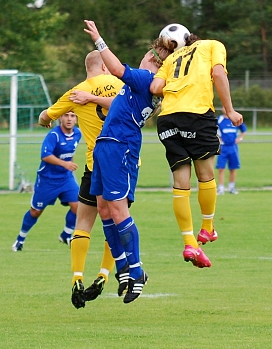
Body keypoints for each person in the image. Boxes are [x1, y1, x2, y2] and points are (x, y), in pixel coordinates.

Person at [82, 19, 172, 303]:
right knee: (104, 209)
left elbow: (117, 69)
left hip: (120, 147)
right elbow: (118, 103)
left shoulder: (145, 78)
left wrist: (99, 40)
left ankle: (137, 270)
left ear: (152, 60)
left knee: (118, 211)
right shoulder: (141, 86)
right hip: (106, 145)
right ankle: (122, 267)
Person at [150, 24, 243, 269]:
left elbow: (155, 88)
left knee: (180, 183)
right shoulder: (212, 45)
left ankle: (189, 242)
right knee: (206, 175)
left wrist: (173, 78)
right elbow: (219, 74)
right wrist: (229, 110)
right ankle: (207, 227)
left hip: (167, 119)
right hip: (196, 114)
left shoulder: (170, 61)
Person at [38, 50, 123, 309]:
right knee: (118, 221)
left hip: (94, 164)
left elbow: (45, 117)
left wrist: (45, 119)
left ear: (87, 67)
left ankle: (77, 278)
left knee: (83, 223)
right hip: (122, 163)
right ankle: (104, 275)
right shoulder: (120, 83)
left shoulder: (77, 92)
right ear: (106, 66)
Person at [13, 112, 82, 252]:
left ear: (76, 119)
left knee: (79, 206)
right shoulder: (54, 135)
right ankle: (20, 239)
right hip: (47, 180)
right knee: (35, 212)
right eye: (66, 115)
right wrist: (65, 164)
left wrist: (70, 169)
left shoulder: (78, 133)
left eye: (72, 116)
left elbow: (71, 152)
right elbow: (45, 155)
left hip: (66, 178)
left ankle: (66, 235)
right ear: (60, 118)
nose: (69, 119)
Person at [216, 114, 247, 195]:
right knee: (221, 168)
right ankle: (220, 188)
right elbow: (212, 130)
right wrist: (218, 138)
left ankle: (231, 188)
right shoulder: (219, 119)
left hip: (233, 147)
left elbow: (243, 129)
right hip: (223, 147)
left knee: (233, 168)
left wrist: (240, 138)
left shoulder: (235, 118)